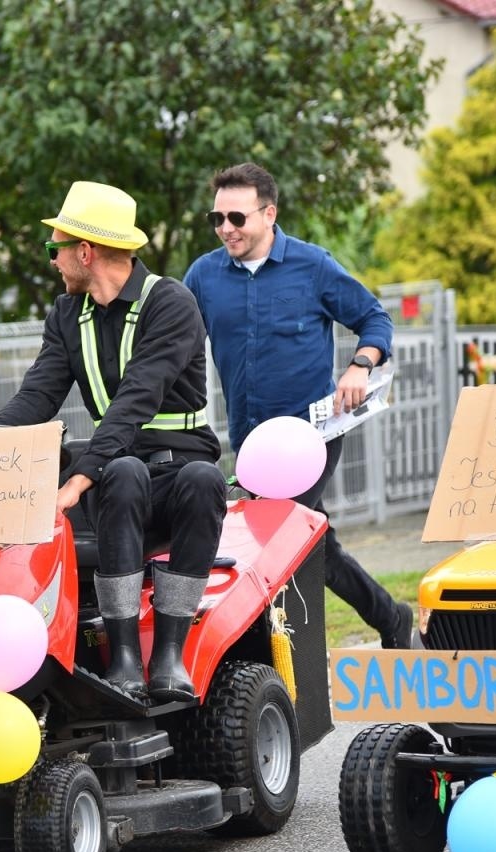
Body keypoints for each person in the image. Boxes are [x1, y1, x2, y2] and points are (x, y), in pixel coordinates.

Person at [0, 181, 227, 704]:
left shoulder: (171, 303)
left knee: (202, 478)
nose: (52, 261)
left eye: (55, 248)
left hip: (175, 478)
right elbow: (35, 399)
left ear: (85, 251)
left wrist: (79, 476)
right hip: (119, 482)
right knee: (123, 472)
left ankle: (169, 655)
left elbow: (136, 399)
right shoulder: (65, 315)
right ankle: (123, 657)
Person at [183, 162, 416, 649]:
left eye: (237, 218)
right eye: (217, 219)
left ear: (269, 214)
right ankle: (391, 616)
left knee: (273, 543)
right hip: (251, 441)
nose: (226, 228)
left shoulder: (313, 266)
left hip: (313, 436)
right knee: (317, 549)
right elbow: (178, 347)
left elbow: (374, 318)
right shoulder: (203, 277)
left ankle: (263, 658)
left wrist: (360, 365)